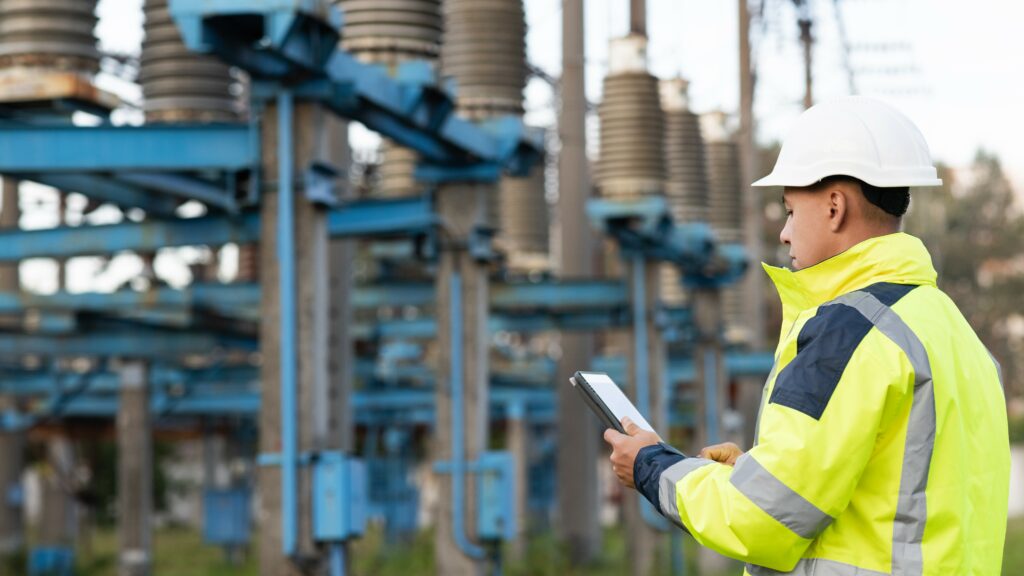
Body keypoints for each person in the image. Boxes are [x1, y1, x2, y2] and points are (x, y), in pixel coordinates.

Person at [603, 96, 1009, 575]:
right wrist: (757, 473)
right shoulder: (949, 327)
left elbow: (757, 519)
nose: (785, 234)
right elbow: (898, 494)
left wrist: (652, 466)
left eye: (791, 211)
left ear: (834, 206)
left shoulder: (851, 331)